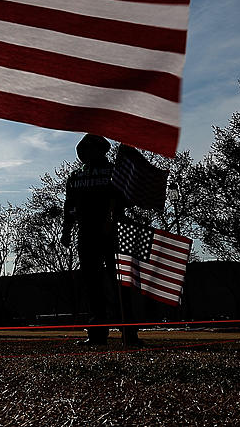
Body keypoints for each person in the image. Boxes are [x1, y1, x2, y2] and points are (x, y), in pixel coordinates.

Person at [61, 134, 140, 346]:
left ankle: (129, 333)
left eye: (91, 149)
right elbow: (70, 206)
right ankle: (97, 333)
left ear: (102, 150)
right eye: (84, 150)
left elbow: (127, 200)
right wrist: (67, 230)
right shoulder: (76, 176)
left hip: (113, 232)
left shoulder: (116, 172)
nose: (87, 153)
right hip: (87, 234)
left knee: (120, 284)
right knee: (92, 284)